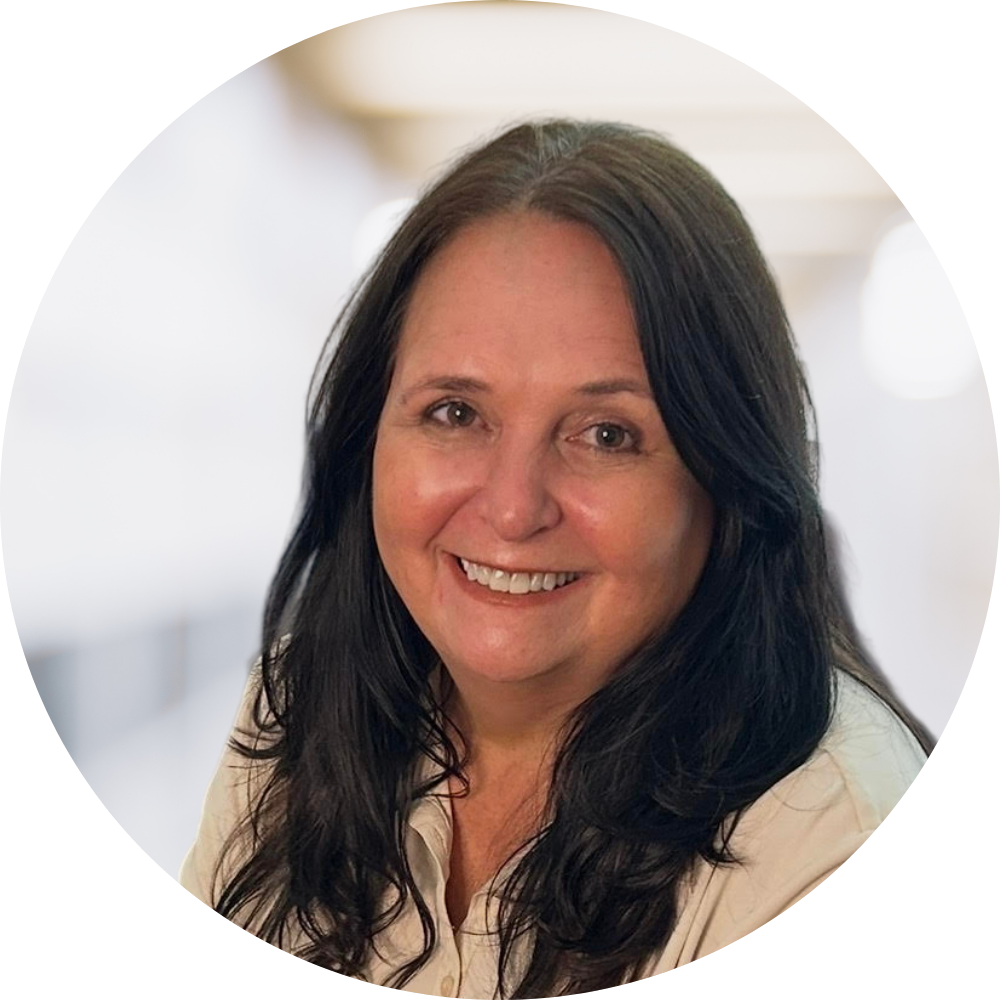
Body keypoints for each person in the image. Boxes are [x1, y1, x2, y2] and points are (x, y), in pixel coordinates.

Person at [180, 119, 933, 999]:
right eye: (455, 413)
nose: (511, 506)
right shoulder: (301, 715)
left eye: (607, 434)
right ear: (367, 439)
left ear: (723, 480)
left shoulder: (838, 840)